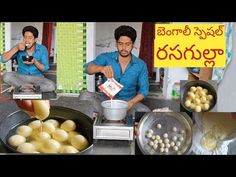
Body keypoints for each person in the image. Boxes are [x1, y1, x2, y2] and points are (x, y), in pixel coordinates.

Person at [80, 25, 150, 116]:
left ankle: (105, 115)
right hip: (106, 100)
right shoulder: (106, 57)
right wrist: (100, 68)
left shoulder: (141, 65)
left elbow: (144, 91)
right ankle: (107, 115)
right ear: (116, 43)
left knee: (145, 112)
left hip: (128, 102)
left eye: (128, 44)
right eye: (120, 44)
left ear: (133, 44)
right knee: (84, 95)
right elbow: (86, 68)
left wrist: (131, 103)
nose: (124, 48)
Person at [0, 26, 55, 92]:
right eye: (25, 37)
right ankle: (31, 88)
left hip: (37, 77)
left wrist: (35, 61)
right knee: (6, 76)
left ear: (35, 39)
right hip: (21, 76)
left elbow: (45, 69)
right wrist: (16, 48)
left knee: (51, 86)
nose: (27, 40)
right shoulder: (18, 47)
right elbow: (3, 59)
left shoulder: (42, 49)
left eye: (30, 38)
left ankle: (21, 87)